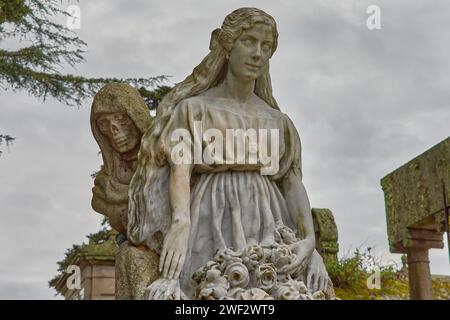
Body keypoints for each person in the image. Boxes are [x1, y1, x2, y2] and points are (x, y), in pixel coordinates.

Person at [128, 7, 329, 298]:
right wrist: (180, 222)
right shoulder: (194, 110)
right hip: (210, 217)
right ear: (227, 45)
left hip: (271, 221)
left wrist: (309, 241)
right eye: (249, 41)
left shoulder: (278, 121)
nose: (258, 53)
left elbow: (292, 181)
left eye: (266, 46)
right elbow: (180, 169)